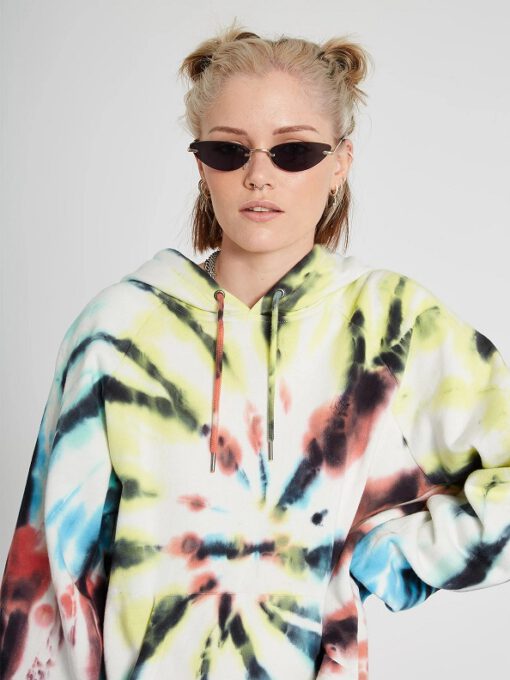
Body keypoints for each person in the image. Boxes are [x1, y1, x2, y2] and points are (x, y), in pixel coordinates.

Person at [1, 19, 509, 680]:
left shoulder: (392, 324)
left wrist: (391, 555)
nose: (259, 176)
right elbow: (50, 583)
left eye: (293, 151)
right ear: (200, 162)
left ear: (340, 161)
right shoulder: (118, 330)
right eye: (229, 151)